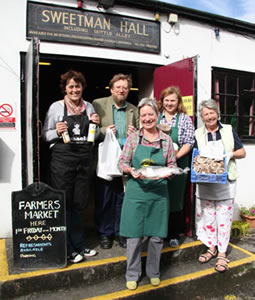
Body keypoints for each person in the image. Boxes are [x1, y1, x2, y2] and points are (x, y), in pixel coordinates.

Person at [118, 98, 177, 290]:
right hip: (136, 193)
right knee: (134, 237)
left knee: (156, 237)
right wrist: (130, 171)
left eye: (150, 114)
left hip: (159, 193)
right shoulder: (134, 139)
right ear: (140, 118)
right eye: (143, 115)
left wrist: (169, 173)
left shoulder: (166, 140)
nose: (147, 118)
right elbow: (122, 163)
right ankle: (132, 274)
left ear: (156, 115)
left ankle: (154, 272)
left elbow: (172, 166)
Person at [42, 70, 100, 264]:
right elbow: (45, 135)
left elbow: (95, 135)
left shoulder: (89, 106)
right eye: (71, 86)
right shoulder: (56, 107)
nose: (75, 90)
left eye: (78, 86)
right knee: (64, 204)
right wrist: (56, 132)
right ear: (65, 89)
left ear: (82, 87)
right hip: (62, 162)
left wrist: (97, 125)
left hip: (84, 161)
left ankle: (80, 244)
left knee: (79, 204)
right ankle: (67, 248)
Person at [195, 99, 246, 273]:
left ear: (217, 113)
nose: (209, 116)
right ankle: (211, 247)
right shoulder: (198, 134)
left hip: (226, 182)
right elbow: (195, 156)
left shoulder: (228, 131)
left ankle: (222, 253)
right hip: (205, 183)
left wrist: (230, 154)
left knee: (223, 220)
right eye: (205, 114)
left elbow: (242, 152)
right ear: (201, 117)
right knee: (208, 219)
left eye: (211, 112)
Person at [92, 73, 139, 249]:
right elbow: (90, 128)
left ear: (128, 90)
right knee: (104, 198)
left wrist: (135, 133)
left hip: (125, 161)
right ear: (111, 89)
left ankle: (121, 232)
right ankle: (105, 233)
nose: (121, 90)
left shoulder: (133, 109)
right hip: (105, 160)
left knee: (122, 199)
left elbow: (140, 134)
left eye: (125, 88)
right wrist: (103, 129)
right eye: (118, 87)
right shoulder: (97, 104)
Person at [157, 86, 195, 247]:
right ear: (162, 101)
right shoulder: (157, 117)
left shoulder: (184, 119)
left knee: (175, 199)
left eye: (173, 100)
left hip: (178, 163)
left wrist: (174, 157)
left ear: (178, 102)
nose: (170, 103)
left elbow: (189, 142)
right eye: (167, 100)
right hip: (158, 163)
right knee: (159, 197)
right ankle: (159, 233)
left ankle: (173, 234)